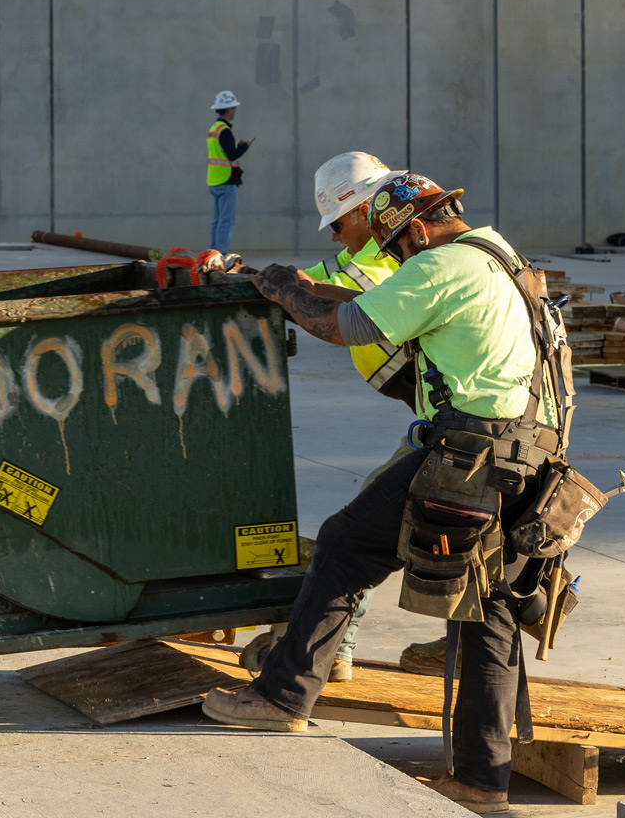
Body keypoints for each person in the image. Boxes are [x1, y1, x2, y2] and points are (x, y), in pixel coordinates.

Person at [202, 171, 552, 814]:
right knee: (488, 612)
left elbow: (352, 326)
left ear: (417, 228)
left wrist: (283, 292)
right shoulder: (496, 254)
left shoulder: (442, 264)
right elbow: (391, 302)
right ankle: (482, 784)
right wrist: (300, 286)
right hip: (530, 457)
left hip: (469, 455)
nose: (394, 260)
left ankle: (281, 697)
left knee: (346, 544)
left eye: (395, 249)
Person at [299, 151, 404, 682]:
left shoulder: (411, 263)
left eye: (339, 223)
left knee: (358, 533)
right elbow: (308, 283)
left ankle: (333, 652)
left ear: (365, 209)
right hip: (448, 412)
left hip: (472, 420)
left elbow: (345, 316)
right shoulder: (373, 256)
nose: (336, 235)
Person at [205, 90, 252, 254]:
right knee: (226, 221)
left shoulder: (214, 129)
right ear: (229, 109)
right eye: (234, 108)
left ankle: (212, 253)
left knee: (217, 221)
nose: (235, 112)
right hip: (226, 181)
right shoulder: (224, 130)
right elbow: (232, 155)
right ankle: (220, 254)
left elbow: (222, 153)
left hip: (215, 180)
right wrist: (244, 146)